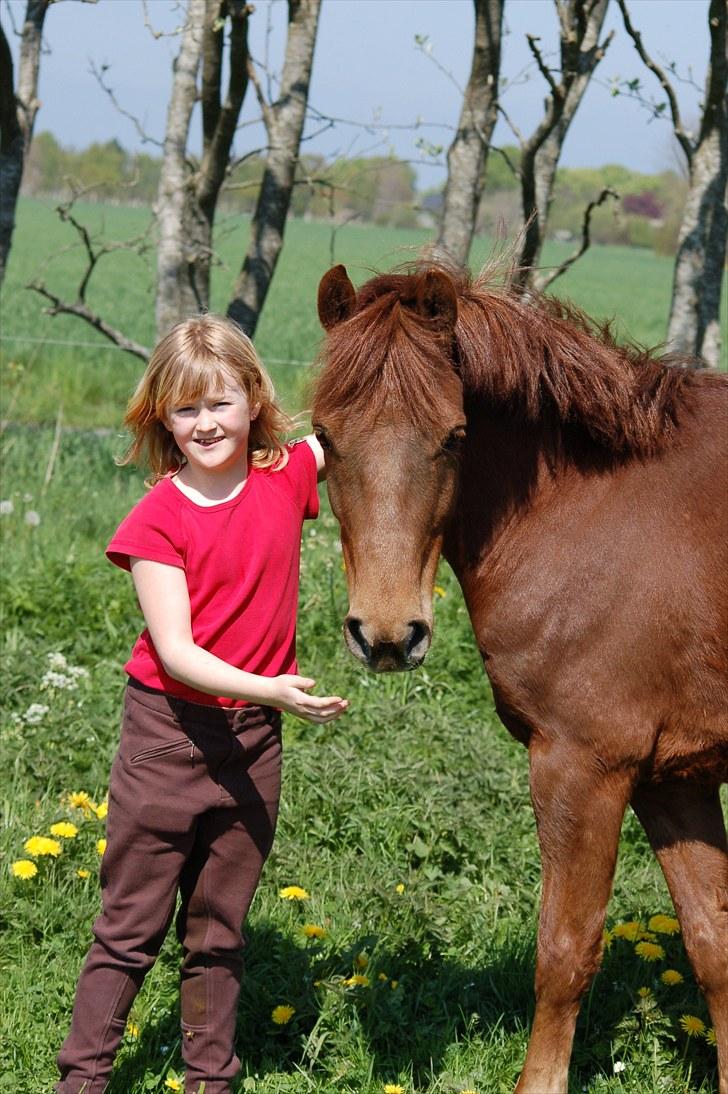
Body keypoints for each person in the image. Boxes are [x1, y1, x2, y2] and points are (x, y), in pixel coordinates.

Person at [56, 315, 348, 1094]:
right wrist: (275, 689)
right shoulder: (157, 518)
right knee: (131, 930)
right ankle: (80, 1080)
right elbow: (179, 654)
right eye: (186, 410)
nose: (206, 423)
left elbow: (356, 422)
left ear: (255, 399)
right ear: (164, 420)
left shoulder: (286, 476)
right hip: (168, 739)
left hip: (253, 744)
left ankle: (209, 1081)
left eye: (221, 402)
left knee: (220, 934)